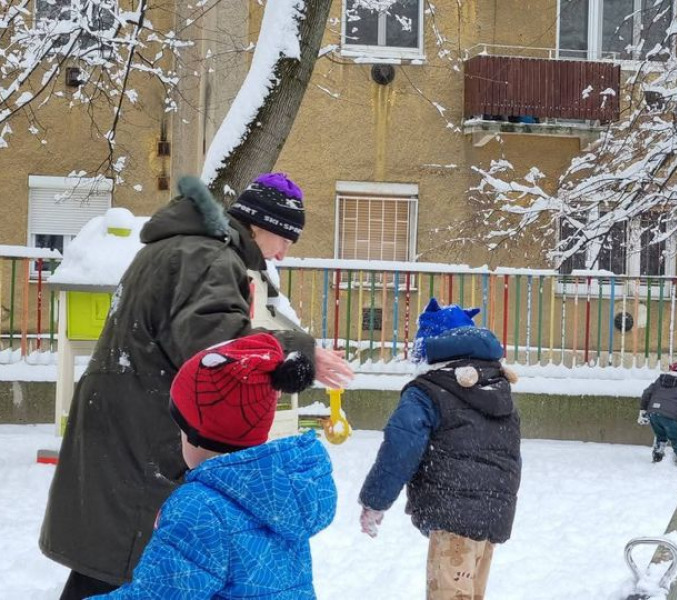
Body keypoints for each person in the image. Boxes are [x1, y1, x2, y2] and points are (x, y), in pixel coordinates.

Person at [40, 173, 353, 599]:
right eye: (285, 239)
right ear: (259, 226)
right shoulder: (207, 257)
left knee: (115, 561)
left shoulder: (182, 248)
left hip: (126, 416)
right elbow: (216, 352)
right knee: (133, 557)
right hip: (149, 427)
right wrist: (295, 351)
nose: (283, 252)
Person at [89, 332, 335, 599]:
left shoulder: (199, 508)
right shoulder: (281, 494)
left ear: (194, 435)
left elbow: (157, 595)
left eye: (181, 428)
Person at [358, 298, 522, 600]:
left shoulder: (428, 391)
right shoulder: (497, 385)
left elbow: (401, 445)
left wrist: (375, 500)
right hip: (494, 513)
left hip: (454, 515)